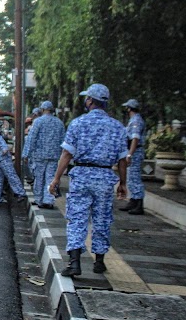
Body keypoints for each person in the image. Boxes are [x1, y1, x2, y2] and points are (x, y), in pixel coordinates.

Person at [48, 84, 128, 277]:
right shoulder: (117, 127)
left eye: (87, 99)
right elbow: (123, 160)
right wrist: (123, 183)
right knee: (102, 218)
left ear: (90, 100)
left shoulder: (78, 123)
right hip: (105, 178)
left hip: (82, 175)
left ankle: (74, 262)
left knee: (77, 218)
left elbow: (67, 154)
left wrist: (56, 178)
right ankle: (99, 262)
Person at [22, 101, 66, 209]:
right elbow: (63, 140)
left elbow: (31, 138)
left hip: (39, 155)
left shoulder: (38, 122)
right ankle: (49, 200)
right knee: (51, 178)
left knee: (39, 178)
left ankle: (39, 200)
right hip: (54, 156)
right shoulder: (59, 123)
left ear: (42, 110)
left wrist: (26, 154)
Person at [0, 118, 28, 206]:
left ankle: (20, 193)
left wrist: (2, 150)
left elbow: (3, 145)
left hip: (2, 158)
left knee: (9, 175)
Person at [119, 99, 146, 215]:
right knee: (131, 178)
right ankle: (133, 201)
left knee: (135, 178)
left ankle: (139, 203)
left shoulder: (136, 121)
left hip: (135, 151)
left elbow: (135, 138)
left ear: (129, 108)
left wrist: (130, 153)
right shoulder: (133, 120)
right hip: (132, 150)